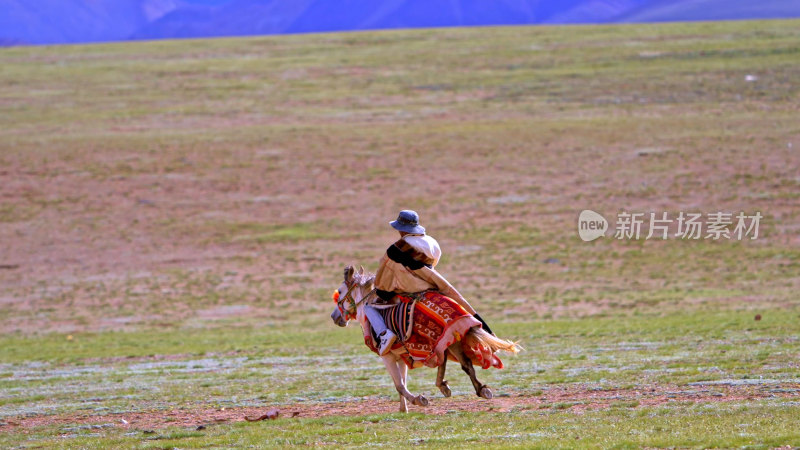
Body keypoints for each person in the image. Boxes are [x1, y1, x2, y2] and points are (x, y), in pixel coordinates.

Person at [364, 210, 494, 356]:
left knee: (368, 306)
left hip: (410, 289)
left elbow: (386, 274)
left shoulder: (396, 249)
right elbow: (430, 267)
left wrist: (382, 291)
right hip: (433, 285)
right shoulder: (432, 242)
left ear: (400, 229)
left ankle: (384, 335)